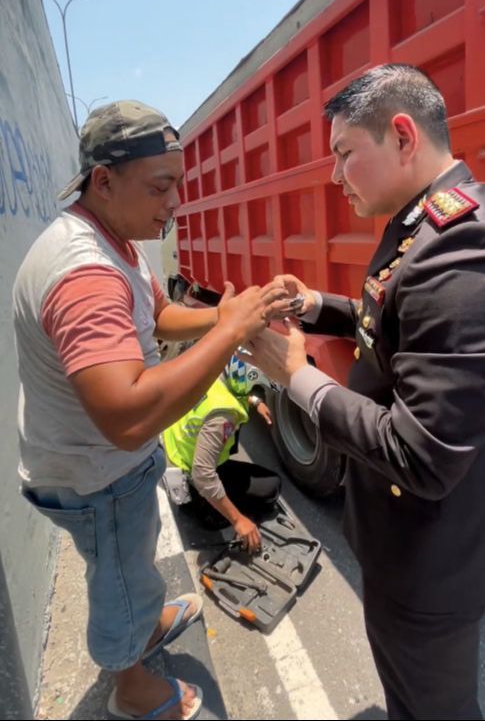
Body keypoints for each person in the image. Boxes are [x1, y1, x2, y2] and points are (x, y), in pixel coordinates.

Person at [12, 100, 288, 721]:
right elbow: (129, 418)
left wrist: (230, 317)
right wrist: (228, 335)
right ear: (103, 180)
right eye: (159, 187)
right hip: (95, 474)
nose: (173, 204)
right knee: (117, 580)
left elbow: (159, 316)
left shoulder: (118, 240)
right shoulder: (84, 273)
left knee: (130, 565)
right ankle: (132, 688)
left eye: (178, 186)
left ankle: (148, 618)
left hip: (102, 465)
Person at [245, 64, 485, 720]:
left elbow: (421, 453)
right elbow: (393, 324)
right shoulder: (425, 224)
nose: (333, 174)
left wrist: (297, 376)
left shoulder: (457, 244)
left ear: (402, 136)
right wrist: (316, 304)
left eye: (345, 153)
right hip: (404, 547)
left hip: (427, 565)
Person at [163, 353, 280, 551]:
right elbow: (203, 476)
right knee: (272, 487)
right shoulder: (224, 414)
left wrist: (255, 402)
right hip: (193, 483)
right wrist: (238, 520)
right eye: (254, 387)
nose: (254, 392)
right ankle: (210, 512)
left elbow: (237, 386)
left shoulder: (211, 369)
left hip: (177, 457)